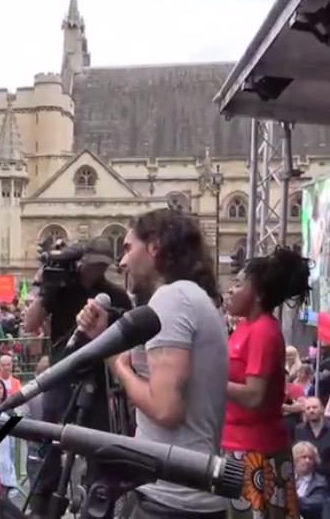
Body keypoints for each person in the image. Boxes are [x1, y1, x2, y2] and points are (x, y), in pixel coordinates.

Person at [76, 208, 227, 518]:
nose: (121, 261)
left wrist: (116, 363)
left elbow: (165, 409)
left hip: (172, 499)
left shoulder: (172, 299)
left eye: (128, 248)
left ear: (155, 247)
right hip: (178, 491)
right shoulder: (188, 297)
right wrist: (105, 338)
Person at [23, 236, 132, 518]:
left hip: (99, 384)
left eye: (101, 266)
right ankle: (42, 506)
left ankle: (98, 505)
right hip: (62, 378)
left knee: (99, 454)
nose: (95, 272)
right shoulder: (61, 288)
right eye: (92, 265)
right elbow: (30, 324)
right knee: (48, 448)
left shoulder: (115, 296)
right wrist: (44, 289)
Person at [221, 246, 310, 519]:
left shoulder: (263, 332)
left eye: (238, 284)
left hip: (255, 454)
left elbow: (254, 396)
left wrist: (207, 380)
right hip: (236, 445)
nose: (231, 290)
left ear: (257, 293)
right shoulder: (245, 327)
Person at [293, 397, 330, 481]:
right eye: (308, 408)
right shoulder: (299, 430)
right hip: (305, 480)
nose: (311, 410)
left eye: (315, 407)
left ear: (322, 409)